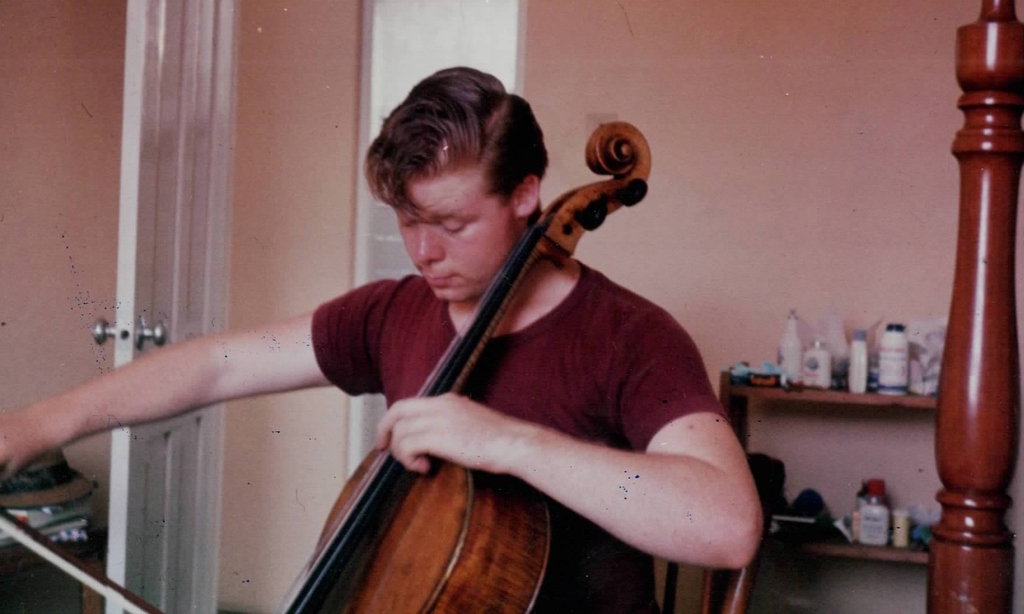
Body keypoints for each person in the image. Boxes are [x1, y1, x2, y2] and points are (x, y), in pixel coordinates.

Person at [0, 67, 760, 612]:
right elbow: (216, 366)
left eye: (453, 224)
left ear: (527, 194)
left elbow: (728, 526)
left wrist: (513, 443)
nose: (423, 253)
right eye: (408, 223)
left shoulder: (629, 336)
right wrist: (39, 424)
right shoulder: (394, 312)